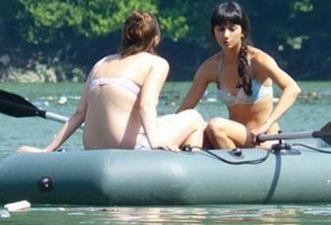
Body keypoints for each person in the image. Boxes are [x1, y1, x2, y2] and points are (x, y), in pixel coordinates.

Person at [18, 11, 205, 153]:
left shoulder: (102, 63)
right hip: (127, 149)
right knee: (193, 117)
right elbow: (146, 106)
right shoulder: (156, 63)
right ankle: (192, 168)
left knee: (169, 119)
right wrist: (155, 143)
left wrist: (47, 150)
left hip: (93, 149)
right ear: (155, 40)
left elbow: (78, 114)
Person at [177, 1, 301, 149]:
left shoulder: (258, 60)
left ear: (243, 31)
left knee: (215, 126)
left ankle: (238, 166)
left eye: (232, 29)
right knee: (197, 130)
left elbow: (292, 89)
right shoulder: (210, 68)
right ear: (213, 32)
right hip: (234, 138)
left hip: (263, 138)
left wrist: (265, 125)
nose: (226, 35)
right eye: (220, 29)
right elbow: (184, 111)